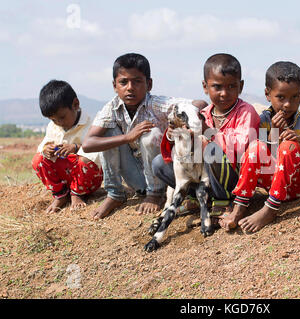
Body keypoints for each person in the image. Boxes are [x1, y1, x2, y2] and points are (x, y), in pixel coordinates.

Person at [82, 53, 206, 220]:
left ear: (149, 84)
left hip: (161, 174)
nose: (130, 87)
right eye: (123, 82)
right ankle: (115, 193)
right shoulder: (111, 108)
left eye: (137, 81)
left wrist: (183, 121)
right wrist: (128, 137)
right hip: (136, 176)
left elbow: (200, 104)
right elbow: (88, 144)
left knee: (151, 133)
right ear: (114, 85)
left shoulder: (156, 104)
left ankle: (155, 194)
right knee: (109, 132)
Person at [153, 53, 260, 219]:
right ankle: (196, 197)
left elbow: (239, 148)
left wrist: (205, 131)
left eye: (231, 86)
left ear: (241, 86)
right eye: (217, 87)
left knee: (211, 149)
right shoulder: (202, 114)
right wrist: (176, 135)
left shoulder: (246, 112)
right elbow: (182, 149)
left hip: (233, 178)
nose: (224, 93)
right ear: (205, 86)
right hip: (204, 178)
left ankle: (223, 201)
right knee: (159, 163)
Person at [219, 61, 300, 232]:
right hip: (272, 183)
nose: (288, 104)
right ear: (267, 94)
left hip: (297, 186)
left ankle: (270, 210)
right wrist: (274, 133)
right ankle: (240, 207)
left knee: (288, 147)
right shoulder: (263, 120)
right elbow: (262, 158)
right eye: (281, 97)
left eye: (295, 97)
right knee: (256, 146)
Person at [32, 80, 103, 213]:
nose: (59, 123)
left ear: (75, 104)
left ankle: (77, 194)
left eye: (62, 117)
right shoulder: (54, 127)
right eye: (53, 120)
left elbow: (99, 153)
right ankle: (61, 195)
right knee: (38, 160)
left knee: (86, 160)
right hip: (66, 177)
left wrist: (76, 148)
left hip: (87, 178)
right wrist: (46, 150)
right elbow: (42, 147)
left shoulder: (92, 124)